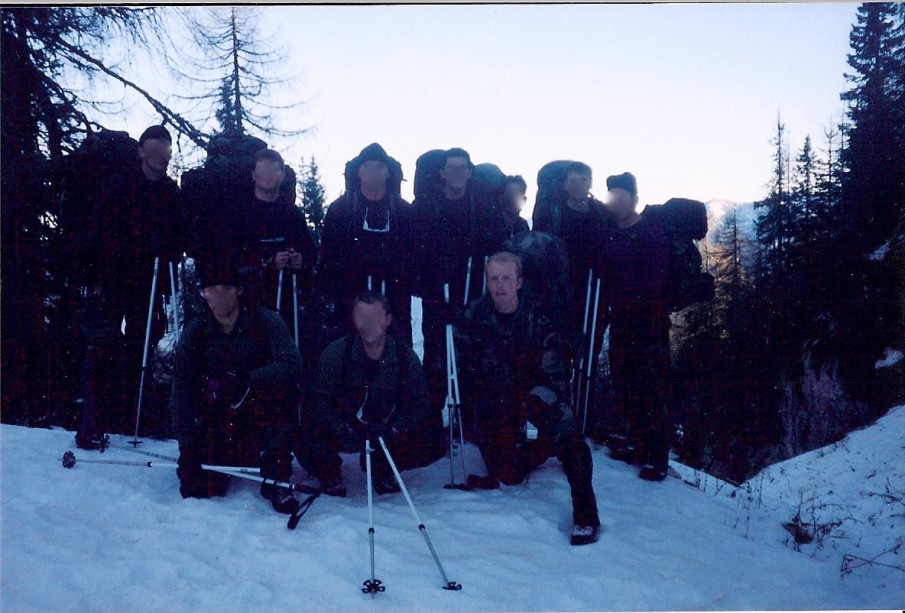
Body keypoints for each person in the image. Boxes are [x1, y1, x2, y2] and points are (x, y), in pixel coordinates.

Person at [455, 252, 600, 546]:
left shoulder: (539, 318)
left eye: (506, 278)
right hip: (498, 399)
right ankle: (541, 447)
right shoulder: (474, 315)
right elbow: (463, 366)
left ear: (519, 282)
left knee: (569, 439)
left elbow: (556, 374)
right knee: (507, 473)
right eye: (493, 278)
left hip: (536, 395)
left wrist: (533, 402)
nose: (499, 286)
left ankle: (586, 513)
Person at [74, 125, 184, 448]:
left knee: (142, 345)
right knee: (101, 344)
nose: (160, 157)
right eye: (154, 150)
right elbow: (100, 231)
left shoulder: (170, 193)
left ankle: (135, 415)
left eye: (165, 150)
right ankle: (92, 421)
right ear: (141, 152)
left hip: (148, 280)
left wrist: (168, 250)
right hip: (114, 275)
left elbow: (178, 239)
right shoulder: (117, 185)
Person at [171, 256, 304, 513]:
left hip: (263, 415)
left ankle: (277, 471)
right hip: (221, 418)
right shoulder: (195, 333)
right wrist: (186, 447)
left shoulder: (265, 321)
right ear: (203, 293)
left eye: (227, 288)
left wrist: (250, 379)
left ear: (239, 290)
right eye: (212, 289)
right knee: (198, 486)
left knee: (283, 398)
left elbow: (293, 364)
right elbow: (181, 394)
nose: (219, 296)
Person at [296, 292, 442, 497]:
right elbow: (317, 401)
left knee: (433, 437)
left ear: (388, 319)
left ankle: (383, 469)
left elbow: (420, 404)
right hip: (346, 429)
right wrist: (340, 426)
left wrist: (395, 429)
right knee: (304, 437)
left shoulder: (404, 356)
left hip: (385, 431)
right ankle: (329, 472)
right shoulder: (337, 352)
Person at [414, 147, 508, 431]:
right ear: (442, 172)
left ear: (469, 173)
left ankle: (468, 419)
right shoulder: (426, 206)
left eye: (462, 169)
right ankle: (431, 421)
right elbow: (415, 247)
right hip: (437, 292)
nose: (456, 174)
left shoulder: (481, 206)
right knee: (436, 355)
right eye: (451, 168)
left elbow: (497, 243)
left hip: (471, 292)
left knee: (470, 356)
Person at [599, 172, 673, 482]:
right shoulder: (610, 234)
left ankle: (657, 458)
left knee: (650, 387)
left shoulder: (650, 234)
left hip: (649, 321)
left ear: (634, 199)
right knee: (625, 381)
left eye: (621, 197)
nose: (616, 203)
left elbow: (654, 281)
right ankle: (638, 444)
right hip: (622, 321)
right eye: (612, 196)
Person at [312, 143, 416, 351]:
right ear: (358, 172)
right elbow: (328, 258)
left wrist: (391, 266)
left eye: (379, 167)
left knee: (396, 356)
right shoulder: (340, 210)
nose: (373, 172)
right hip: (349, 302)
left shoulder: (403, 212)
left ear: (388, 172)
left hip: (393, 303)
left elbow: (413, 257)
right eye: (367, 167)